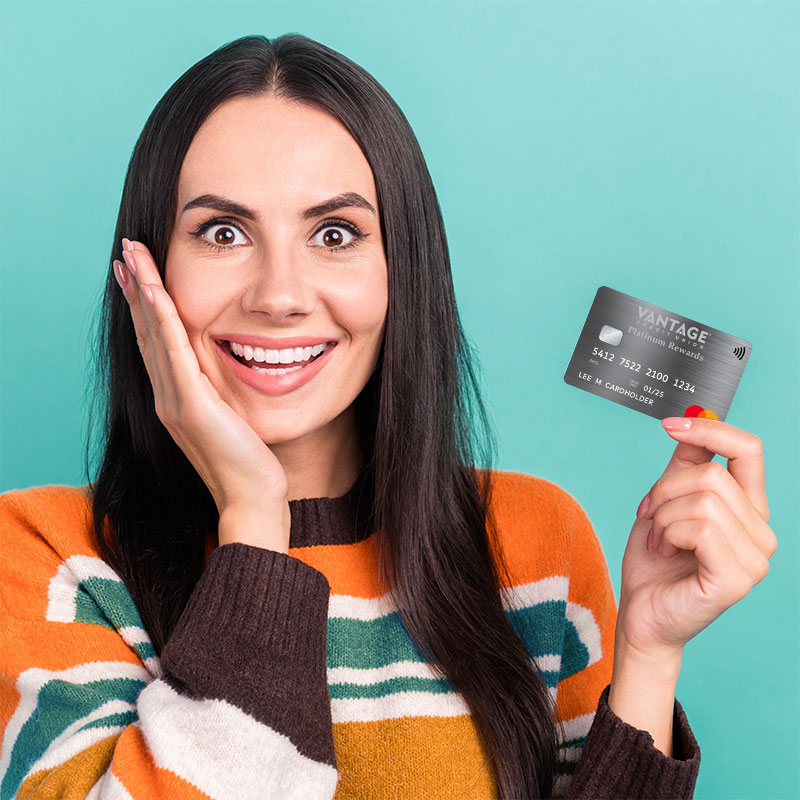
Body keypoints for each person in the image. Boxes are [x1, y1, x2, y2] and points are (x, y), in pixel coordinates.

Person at [0, 33, 775, 800]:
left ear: (403, 270)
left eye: (334, 234)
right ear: (146, 269)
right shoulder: (50, 561)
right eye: (223, 233)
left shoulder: (533, 542)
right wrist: (255, 520)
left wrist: (649, 656)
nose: (279, 296)